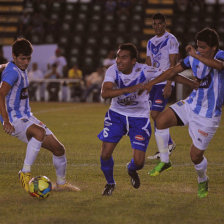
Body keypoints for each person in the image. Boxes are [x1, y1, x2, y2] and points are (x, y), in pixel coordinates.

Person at [98, 43, 198, 196]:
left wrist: (192, 84)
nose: (118, 60)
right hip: (116, 115)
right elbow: (105, 93)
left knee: (139, 162)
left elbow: (170, 74)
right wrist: (128, 89)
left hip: (139, 119)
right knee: (105, 153)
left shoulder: (144, 70)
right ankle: (110, 183)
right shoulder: (113, 70)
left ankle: (131, 169)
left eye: (123, 57)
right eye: (117, 57)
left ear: (133, 61)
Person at [143, 28, 224, 198]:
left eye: (203, 47)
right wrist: (151, 83)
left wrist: (195, 54)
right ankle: (165, 161)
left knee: (195, 156)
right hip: (190, 104)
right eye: (198, 46)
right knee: (161, 121)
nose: (199, 49)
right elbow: (172, 71)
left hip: (207, 116)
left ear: (214, 47)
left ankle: (202, 179)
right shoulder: (193, 58)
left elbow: (219, 66)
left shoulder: (220, 55)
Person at [0, 38, 80, 193]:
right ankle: (25, 173)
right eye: (22, 59)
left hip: (27, 115)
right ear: (14, 56)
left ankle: (61, 184)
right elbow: (1, 94)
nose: (26, 62)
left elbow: (6, 66)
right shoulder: (12, 72)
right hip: (15, 118)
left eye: (28, 58)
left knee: (59, 149)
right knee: (39, 132)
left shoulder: (14, 66)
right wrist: (6, 121)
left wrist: (2, 65)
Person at [146, 13, 179, 160]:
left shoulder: (171, 39)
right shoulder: (150, 42)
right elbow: (148, 64)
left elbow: (173, 64)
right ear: (152, 25)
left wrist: (169, 84)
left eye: (160, 23)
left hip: (163, 82)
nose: (157, 26)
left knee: (155, 114)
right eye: (155, 24)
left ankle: (168, 145)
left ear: (165, 24)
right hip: (153, 82)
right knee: (155, 116)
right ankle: (164, 148)